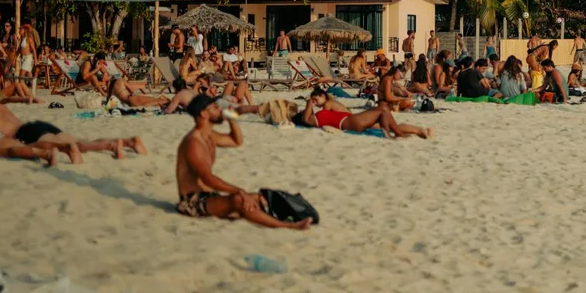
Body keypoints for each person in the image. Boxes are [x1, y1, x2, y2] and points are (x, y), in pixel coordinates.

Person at [175, 94, 311, 229]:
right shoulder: (193, 143)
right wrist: (239, 191)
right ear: (204, 113)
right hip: (192, 202)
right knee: (239, 199)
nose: (220, 109)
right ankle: (288, 226)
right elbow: (207, 178)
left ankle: (295, 216)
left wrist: (232, 121)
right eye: (215, 107)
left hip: (209, 196)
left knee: (259, 198)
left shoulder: (209, 135)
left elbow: (236, 141)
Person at [0, 85, 145, 160]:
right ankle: (127, 142)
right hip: (37, 125)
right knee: (80, 141)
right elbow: (10, 100)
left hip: (25, 133)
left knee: (76, 146)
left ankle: (112, 145)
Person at [294, 87, 431, 138]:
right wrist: (309, 103)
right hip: (352, 121)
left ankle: (419, 131)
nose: (314, 103)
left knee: (387, 119)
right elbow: (305, 119)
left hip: (353, 121)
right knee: (383, 109)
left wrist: (309, 105)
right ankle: (396, 134)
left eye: (315, 100)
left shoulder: (324, 109)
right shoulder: (316, 118)